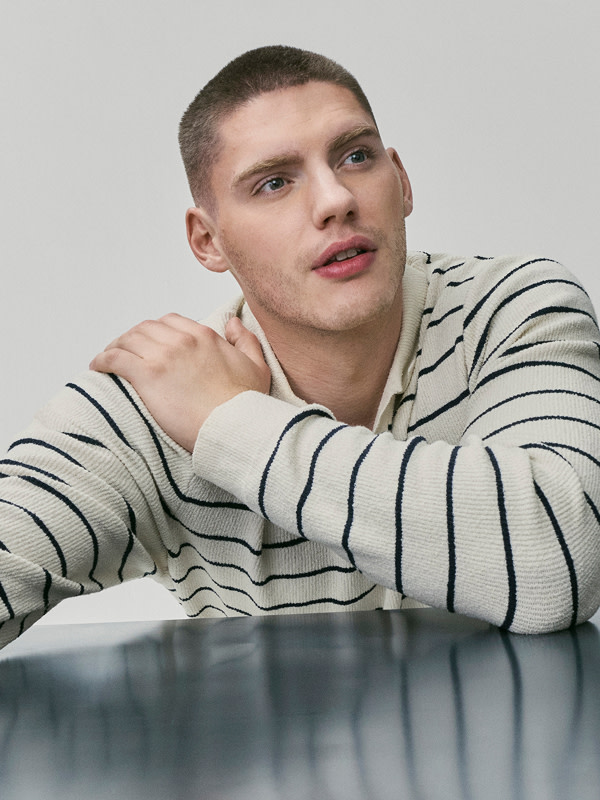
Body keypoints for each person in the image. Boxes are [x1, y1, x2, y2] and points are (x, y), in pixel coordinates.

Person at [1, 46, 599, 646]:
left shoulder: (514, 308)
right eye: (274, 183)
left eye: (356, 156)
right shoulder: (156, 405)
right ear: (207, 241)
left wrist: (233, 425)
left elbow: (561, 559)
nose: (335, 199)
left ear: (403, 181)